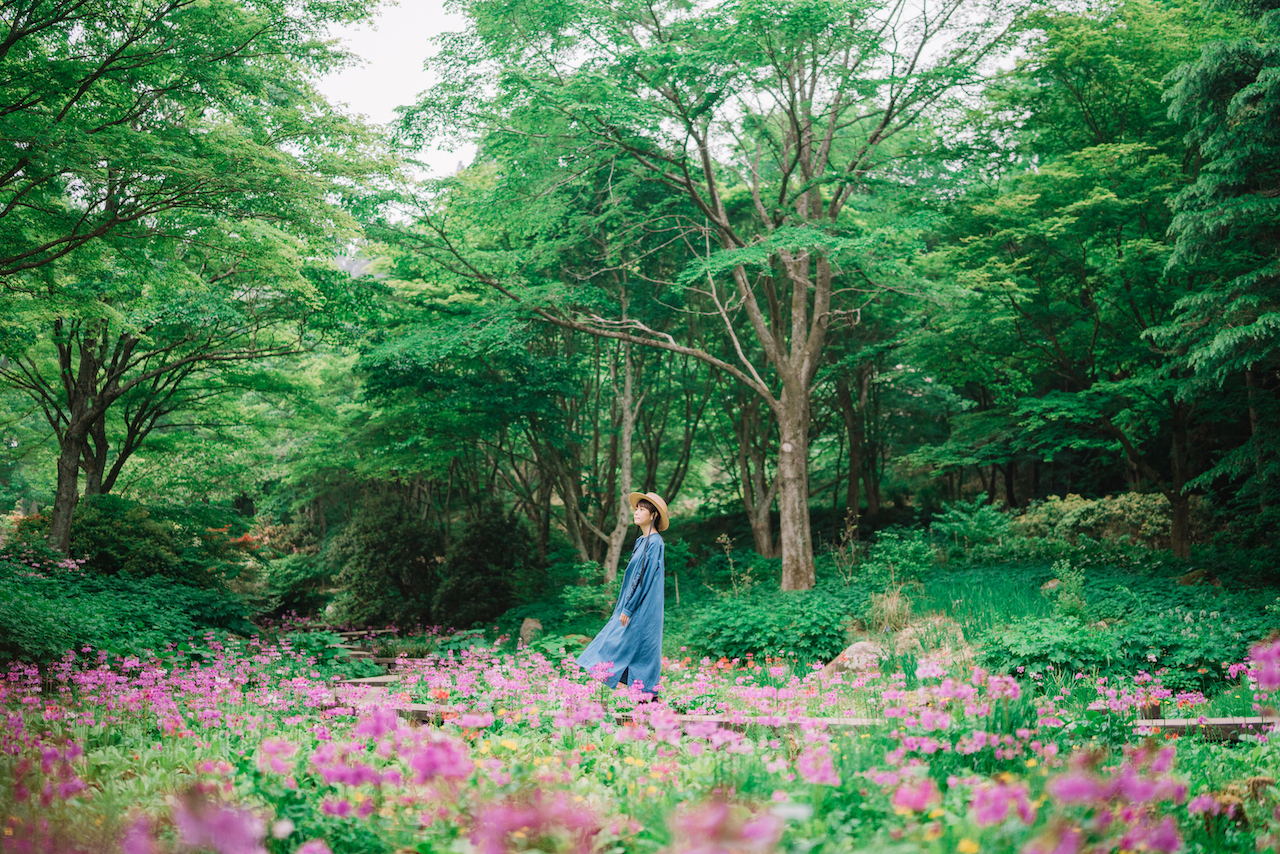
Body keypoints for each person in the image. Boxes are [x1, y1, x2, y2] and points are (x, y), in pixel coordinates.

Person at [576, 491, 669, 696]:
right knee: (616, 639)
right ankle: (640, 695)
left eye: (642, 509)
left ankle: (647, 698)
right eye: (636, 508)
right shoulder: (640, 542)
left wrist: (629, 606)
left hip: (642, 606)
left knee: (637, 646)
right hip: (630, 605)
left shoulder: (655, 542)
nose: (636, 512)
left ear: (653, 515)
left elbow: (642, 578)